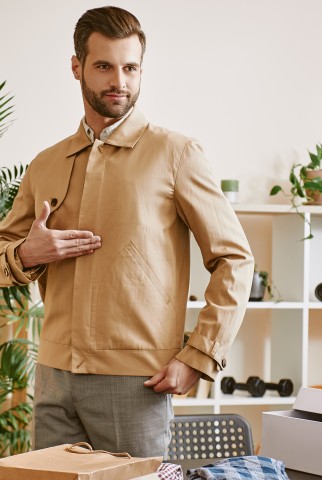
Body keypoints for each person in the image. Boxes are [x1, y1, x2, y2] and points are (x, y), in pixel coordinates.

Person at [0, 6, 254, 458]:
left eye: (131, 68)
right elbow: (4, 254)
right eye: (104, 66)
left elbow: (234, 258)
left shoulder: (177, 154)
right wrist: (26, 254)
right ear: (76, 67)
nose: (119, 80)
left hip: (137, 381)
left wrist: (200, 355)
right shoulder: (45, 163)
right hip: (55, 375)